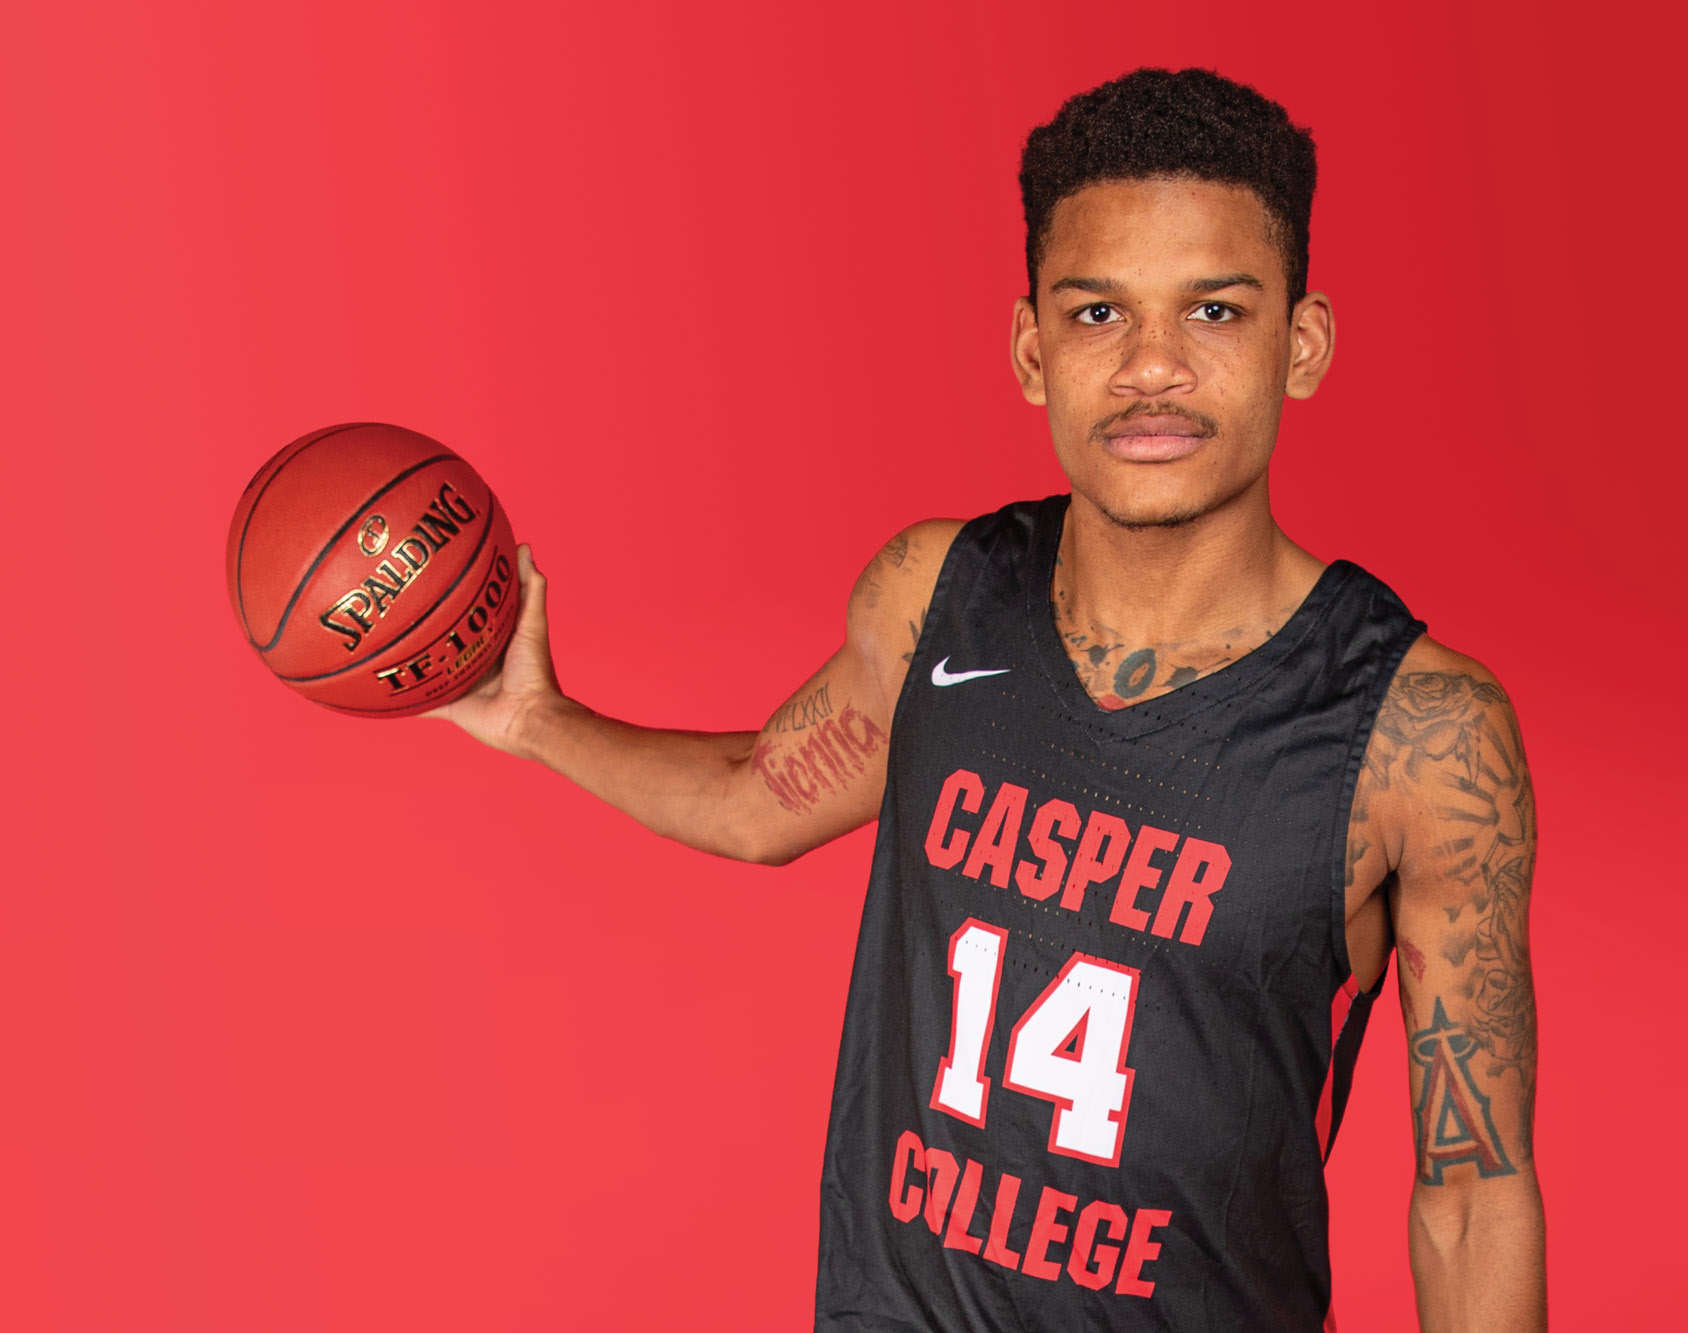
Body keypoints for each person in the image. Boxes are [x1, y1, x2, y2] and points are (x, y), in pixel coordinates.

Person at [437, 66, 1545, 1333]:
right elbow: (760, 799)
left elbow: (1471, 1191)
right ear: (1030, 349)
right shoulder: (932, 597)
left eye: (1213, 312)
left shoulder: (1422, 734)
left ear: (1301, 346)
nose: (1149, 369)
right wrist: (535, 720)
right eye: (1093, 315)